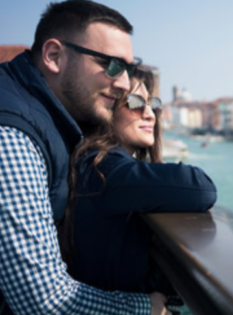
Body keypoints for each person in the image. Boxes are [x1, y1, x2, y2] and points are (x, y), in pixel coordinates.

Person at [0, 1, 168, 314]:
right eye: (112, 66)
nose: (122, 85)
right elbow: (43, 301)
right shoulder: (12, 133)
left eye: (128, 69)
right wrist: (145, 308)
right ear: (54, 56)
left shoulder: (46, 115)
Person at [61, 68, 216, 294]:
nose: (150, 114)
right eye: (135, 103)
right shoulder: (105, 170)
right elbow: (202, 188)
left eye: (153, 104)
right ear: (106, 109)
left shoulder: (93, 162)